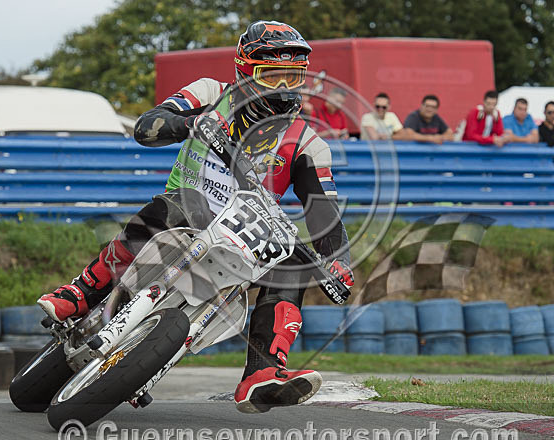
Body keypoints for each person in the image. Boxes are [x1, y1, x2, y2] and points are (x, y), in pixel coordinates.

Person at [37, 21, 353, 413]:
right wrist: (188, 124)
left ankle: (264, 374)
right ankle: (80, 293)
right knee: (170, 207)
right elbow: (146, 128)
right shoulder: (209, 93)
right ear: (245, 71)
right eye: (274, 77)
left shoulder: (309, 143)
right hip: (187, 205)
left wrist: (338, 261)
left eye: (294, 77)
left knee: (292, 265)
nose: (286, 88)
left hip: (246, 235)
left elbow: (324, 211)